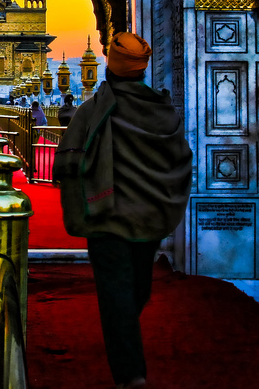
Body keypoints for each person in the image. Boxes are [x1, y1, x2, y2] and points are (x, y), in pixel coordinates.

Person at [52, 32, 192, 389]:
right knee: (129, 292)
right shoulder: (162, 111)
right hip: (141, 217)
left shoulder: (94, 110)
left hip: (110, 215)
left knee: (125, 294)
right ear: (142, 70)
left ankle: (127, 357)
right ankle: (130, 374)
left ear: (109, 70)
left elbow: (68, 162)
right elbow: (180, 160)